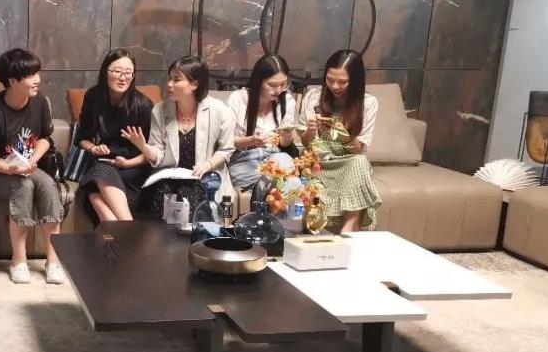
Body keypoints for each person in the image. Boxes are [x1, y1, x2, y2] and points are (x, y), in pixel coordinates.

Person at [0, 48, 65, 285]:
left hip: (28, 168)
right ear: (12, 81)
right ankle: (19, 261)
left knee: (48, 185)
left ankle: (53, 262)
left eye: (37, 73)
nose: (37, 80)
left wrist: (33, 159)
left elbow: (45, 137)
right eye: (30, 75)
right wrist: (10, 169)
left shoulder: (40, 102)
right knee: (23, 187)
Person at [123, 55, 235, 218]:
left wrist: (208, 164)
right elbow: (158, 153)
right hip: (169, 176)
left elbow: (226, 149)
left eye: (176, 80)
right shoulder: (160, 110)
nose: (169, 84)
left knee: (193, 197)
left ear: (195, 84)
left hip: (202, 176)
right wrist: (143, 147)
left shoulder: (220, 111)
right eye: (169, 78)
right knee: (160, 195)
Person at [298, 49, 381, 232]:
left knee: (359, 162)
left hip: (348, 158)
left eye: (342, 82)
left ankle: (350, 227)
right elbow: (306, 143)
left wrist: (342, 133)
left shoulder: (368, 103)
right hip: (319, 157)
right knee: (309, 161)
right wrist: (310, 131)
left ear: (356, 81)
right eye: (330, 80)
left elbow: (358, 149)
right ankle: (318, 226)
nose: (335, 86)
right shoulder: (313, 96)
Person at [74, 48, 153, 222]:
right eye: (117, 71)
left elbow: (152, 153)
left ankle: (126, 229)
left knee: (95, 196)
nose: (123, 77)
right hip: (105, 161)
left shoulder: (143, 105)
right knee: (96, 189)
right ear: (105, 72)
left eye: (128, 73)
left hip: (134, 168)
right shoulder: (93, 97)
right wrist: (94, 148)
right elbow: (82, 138)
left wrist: (127, 163)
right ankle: (128, 232)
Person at [226, 53, 299, 193]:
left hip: (275, 156)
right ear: (258, 81)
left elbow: (283, 144)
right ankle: (272, 187)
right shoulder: (238, 99)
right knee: (288, 181)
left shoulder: (287, 100)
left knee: (284, 162)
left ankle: (266, 188)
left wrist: (286, 140)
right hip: (243, 160)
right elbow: (226, 141)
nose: (278, 90)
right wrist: (251, 140)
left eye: (283, 84)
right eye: (272, 85)